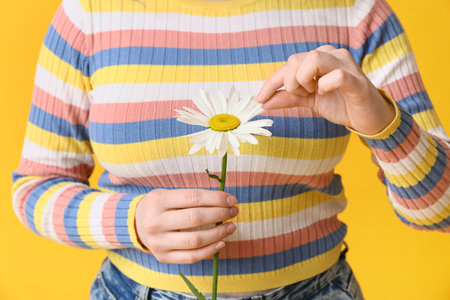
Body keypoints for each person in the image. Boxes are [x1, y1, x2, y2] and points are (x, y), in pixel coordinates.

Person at [11, 0, 449, 299]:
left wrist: (381, 120)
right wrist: (130, 222)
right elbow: (34, 189)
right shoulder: (88, 14)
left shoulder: (356, 12)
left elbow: (441, 209)